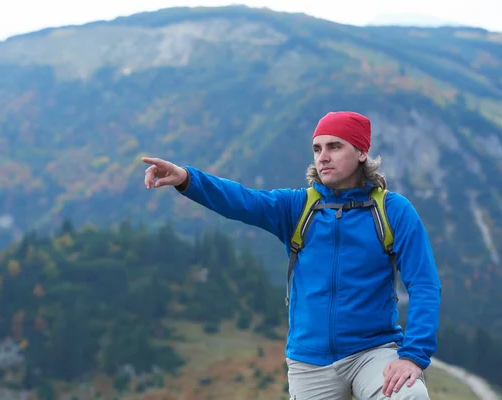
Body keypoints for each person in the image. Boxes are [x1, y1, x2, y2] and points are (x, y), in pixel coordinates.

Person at [142, 111, 441, 399]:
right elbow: (241, 200)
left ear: (361, 152)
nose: (323, 156)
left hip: (373, 351)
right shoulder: (298, 207)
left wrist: (413, 356)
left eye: (334, 146)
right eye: (317, 148)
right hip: (310, 360)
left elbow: (424, 284)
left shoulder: (393, 210)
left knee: (409, 396)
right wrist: (185, 179)